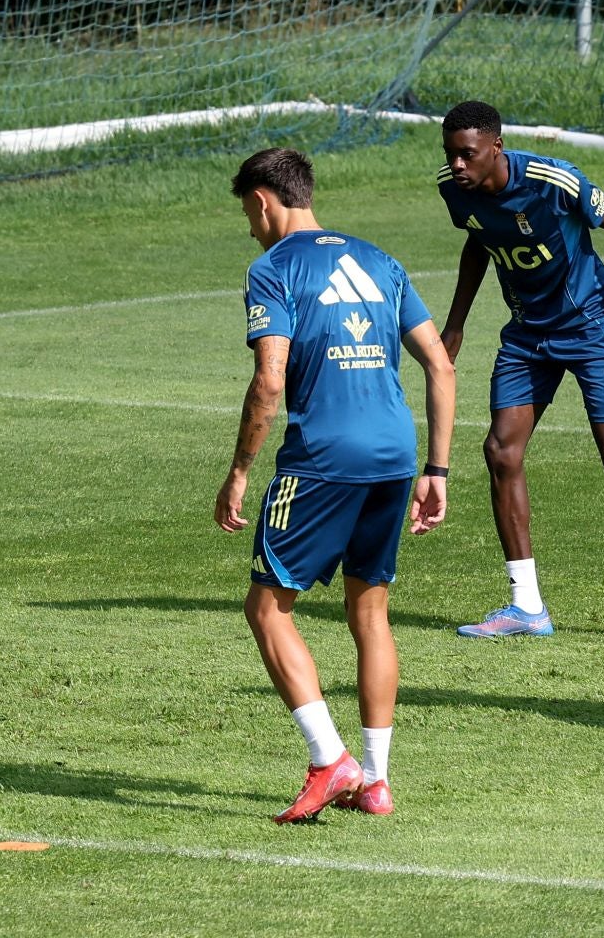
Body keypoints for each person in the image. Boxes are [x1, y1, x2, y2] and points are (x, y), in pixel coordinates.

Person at [215, 147, 453, 822]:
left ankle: (329, 759)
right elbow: (439, 364)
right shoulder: (382, 261)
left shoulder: (274, 269)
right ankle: (375, 782)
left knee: (266, 608)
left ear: (264, 200)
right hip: (395, 456)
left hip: (323, 459)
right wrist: (437, 469)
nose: (250, 226)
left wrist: (238, 473)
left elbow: (269, 380)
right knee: (369, 613)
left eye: (247, 212)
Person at [436, 100, 604, 642]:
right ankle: (527, 605)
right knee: (501, 451)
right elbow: (478, 242)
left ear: (496, 147)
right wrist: (455, 325)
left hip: (593, 325)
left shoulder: (553, 180)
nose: (456, 164)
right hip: (527, 334)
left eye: (467, 154)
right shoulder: (456, 190)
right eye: (450, 154)